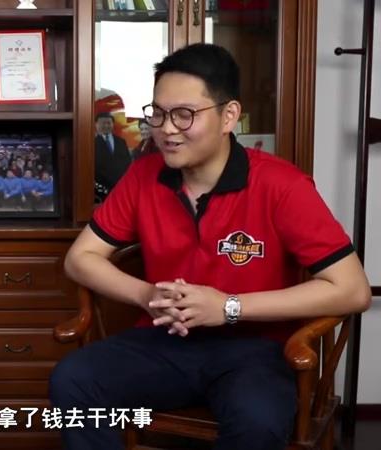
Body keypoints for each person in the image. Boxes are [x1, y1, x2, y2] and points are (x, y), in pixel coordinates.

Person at [51, 43, 371, 450]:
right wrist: (146, 295)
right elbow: (80, 258)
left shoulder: (282, 186)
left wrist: (228, 307)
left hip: (255, 351)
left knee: (257, 420)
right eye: (158, 113)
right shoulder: (143, 176)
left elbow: (352, 290)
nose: (167, 129)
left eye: (184, 115)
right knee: (74, 379)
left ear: (229, 116)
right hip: (166, 342)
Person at [94, 112, 131, 197]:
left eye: (109, 123)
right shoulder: (92, 143)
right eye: (103, 123)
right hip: (101, 190)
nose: (106, 125)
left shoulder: (121, 142)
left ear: (113, 124)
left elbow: (127, 162)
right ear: (96, 125)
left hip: (121, 187)